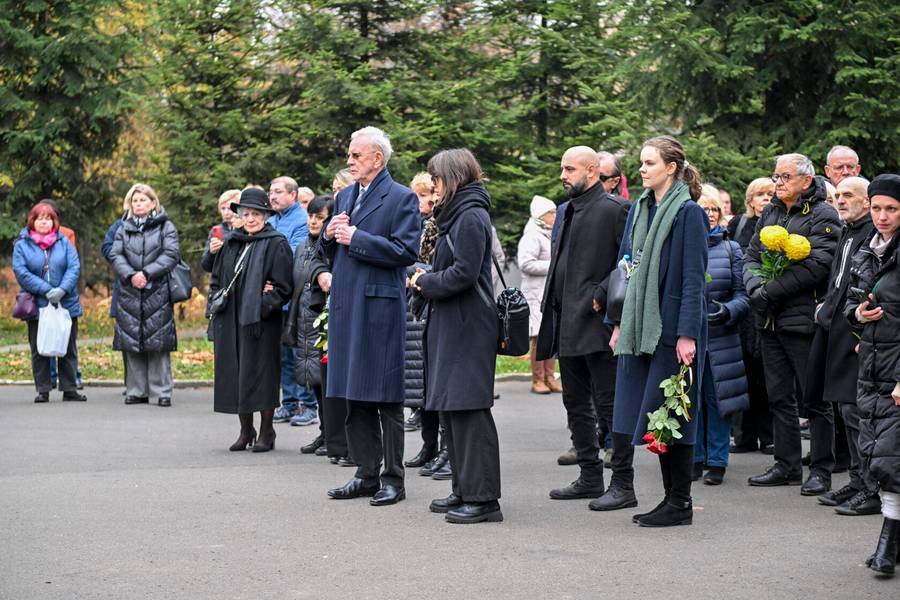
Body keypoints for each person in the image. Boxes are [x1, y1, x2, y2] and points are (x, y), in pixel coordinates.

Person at [610, 135, 709, 527]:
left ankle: (679, 503)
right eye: (640, 163)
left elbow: (692, 280)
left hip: (671, 331)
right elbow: (624, 267)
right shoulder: (639, 210)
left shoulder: (688, 213)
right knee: (652, 413)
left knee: (672, 414)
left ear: (671, 167)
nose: (642, 169)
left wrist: (687, 334)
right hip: (640, 327)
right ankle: (672, 501)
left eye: (649, 163)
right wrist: (618, 322)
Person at [320, 126, 420, 506]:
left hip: (379, 309)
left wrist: (356, 238)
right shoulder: (345, 194)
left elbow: (405, 251)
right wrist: (329, 236)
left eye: (356, 155)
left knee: (386, 398)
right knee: (353, 394)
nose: (350, 161)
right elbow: (330, 250)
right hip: (347, 306)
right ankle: (365, 473)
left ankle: (393, 478)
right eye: (350, 154)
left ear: (377, 158)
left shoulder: (401, 197)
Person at [537, 146, 635, 512]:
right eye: (562, 168)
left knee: (610, 405)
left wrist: (601, 292)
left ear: (592, 171)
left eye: (569, 169)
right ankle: (590, 477)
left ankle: (623, 484)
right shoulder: (565, 210)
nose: (563, 175)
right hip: (564, 321)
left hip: (597, 323)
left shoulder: (615, 209)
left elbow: (628, 261)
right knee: (575, 403)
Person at [410, 148, 503, 524]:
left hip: (469, 325)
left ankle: (484, 500)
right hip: (452, 323)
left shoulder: (470, 215)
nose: (433, 188)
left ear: (454, 178)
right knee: (452, 409)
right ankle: (464, 489)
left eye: (437, 179)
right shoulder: (456, 214)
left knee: (469, 411)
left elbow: (464, 274)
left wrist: (424, 281)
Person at [743, 154, 841, 488]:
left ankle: (821, 469)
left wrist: (769, 291)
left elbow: (817, 265)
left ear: (806, 180)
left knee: (813, 397)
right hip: (770, 320)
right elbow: (752, 255)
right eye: (776, 176)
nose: (778, 182)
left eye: (785, 176)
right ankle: (786, 465)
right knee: (778, 396)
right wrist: (756, 288)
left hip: (802, 320)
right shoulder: (771, 211)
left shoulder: (823, 213)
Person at [810, 176, 880, 513]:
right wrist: (825, 304)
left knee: (856, 411)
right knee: (842, 406)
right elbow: (838, 278)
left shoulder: (871, 233)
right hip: (835, 328)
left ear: (867, 201)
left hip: (856, 333)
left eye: (848, 195)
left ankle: (870, 485)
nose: (840, 200)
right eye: (838, 195)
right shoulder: (847, 231)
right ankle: (856, 479)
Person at [844, 174, 900, 576]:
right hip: (873, 368)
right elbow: (851, 302)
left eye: (892, 209)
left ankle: (885, 547)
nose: (882, 216)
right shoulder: (869, 249)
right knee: (878, 453)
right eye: (877, 207)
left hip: (897, 373)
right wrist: (859, 315)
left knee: (890, 459)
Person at [210, 188, 294, 452]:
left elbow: (283, 287)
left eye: (256, 214)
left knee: (261, 375)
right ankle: (246, 430)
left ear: (265, 216)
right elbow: (215, 278)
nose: (250, 219)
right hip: (230, 320)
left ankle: (267, 431)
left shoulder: (276, 242)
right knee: (236, 375)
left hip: (261, 323)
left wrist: (262, 307)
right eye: (246, 214)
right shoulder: (232, 242)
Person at [694, 185, 749, 485]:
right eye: (704, 209)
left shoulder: (731, 249)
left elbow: (743, 295)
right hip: (689, 335)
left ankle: (717, 460)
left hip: (721, 337)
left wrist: (728, 311)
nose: (710, 215)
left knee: (717, 400)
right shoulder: (684, 246)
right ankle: (694, 457)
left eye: (714, 209)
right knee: (690, 398)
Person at [109, 184, 180, 407]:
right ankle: (136, 390)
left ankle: (162, 392)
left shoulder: (165, 226)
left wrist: (147, 273)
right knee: (132, 341)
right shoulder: (123, 227)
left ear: (152, 203)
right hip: (130, 291)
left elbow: (171, 254)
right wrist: (131, 275)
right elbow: (115, 253)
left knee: (158, 342)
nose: (138, 204)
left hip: (157, 290)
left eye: (142, 200)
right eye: (135, 201)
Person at [12, 201, 86, 403]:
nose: (44, 222)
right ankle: (43, 389)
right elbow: (21, 271)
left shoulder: (63, 242)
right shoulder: (22, 244)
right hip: (38, 304)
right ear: (32, 221)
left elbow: (74, 267)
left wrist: (62, 289)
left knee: (68, 346)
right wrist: (46, 290)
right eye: (40, 218)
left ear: (54, 222)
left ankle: (70, 388)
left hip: (66, 302)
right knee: (39, 347)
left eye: (48, 218)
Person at [284, 196, 336, 456]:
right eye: (311, 216)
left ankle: (333, 435)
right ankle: (325, 432)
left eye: (320, 217)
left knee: (326, 380)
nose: (314, 221)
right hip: (304, 319)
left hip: (324, 321)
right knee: (315, 380)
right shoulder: (303, 245)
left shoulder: (333, 246)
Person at [727, 177, 775, 454]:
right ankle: (744, 435)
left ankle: (769, 436)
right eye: (760, 194)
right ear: (750, 199)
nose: (765, 199)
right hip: (742, 309)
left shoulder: (778, 225)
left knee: (766, 375)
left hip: (765, 305)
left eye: (770, 193)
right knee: (743, 373)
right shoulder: (738, 224)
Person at [268, 176, 315, 426]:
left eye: (278, 192)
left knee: (300, 353)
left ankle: (308, 405)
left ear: (293, 195)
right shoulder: (271, 220)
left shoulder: (301, 220)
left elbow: (293, 256)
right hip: (276, 300)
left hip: (295, 298)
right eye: (271, 192)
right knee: (283, 355)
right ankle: (288, 403)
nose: (272, 196)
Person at [518, 195, 558, 394]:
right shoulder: (532, 235)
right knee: (538, 337)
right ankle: (538, 379)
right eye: (551, 212)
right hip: (535, 294)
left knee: (550, 336)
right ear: (541, 215)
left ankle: (551, 377)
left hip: (548, 292)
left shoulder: (550, 233)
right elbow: (525, 263)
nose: (555, 215)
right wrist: (553, 266)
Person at [200, 189, 242, 274]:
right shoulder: (216, 230)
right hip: (220, 281)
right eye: (223, 208)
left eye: (230, 208)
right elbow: (206, 266)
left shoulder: (248, 229)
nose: (226, 213)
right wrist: (211, 253)